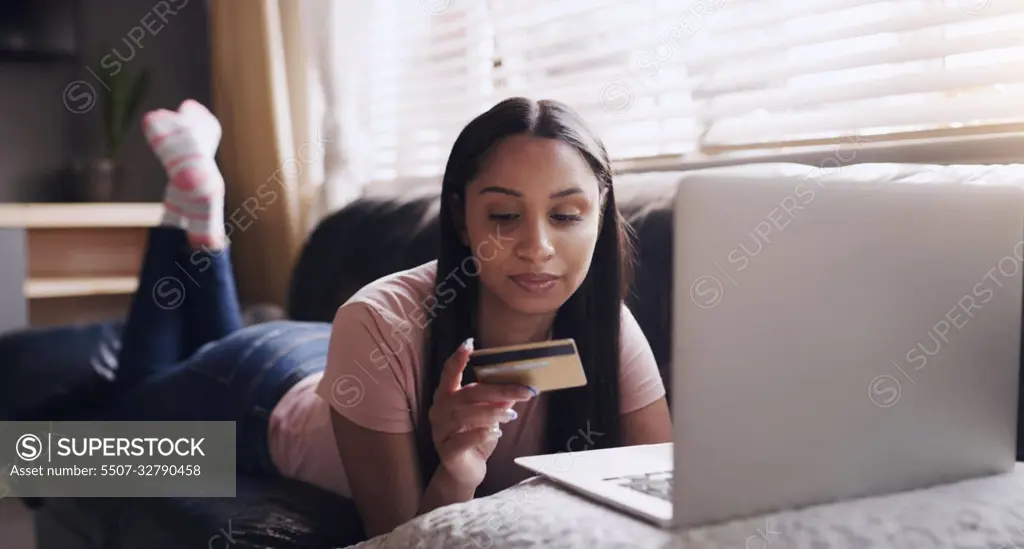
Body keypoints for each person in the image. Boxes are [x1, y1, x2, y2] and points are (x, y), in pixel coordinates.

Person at [33, 96, 672, 538]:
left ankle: (196, 214)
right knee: (78, 451)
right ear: (461, 217)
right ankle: (195, 221)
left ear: (599, 213)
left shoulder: (607, 329)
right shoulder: (380, 319)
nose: (537, 246)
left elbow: (662, 498)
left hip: (338, 365)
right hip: (261, 393)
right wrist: (454, 472)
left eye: (566, 214)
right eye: (504, 216)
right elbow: (398, 539)